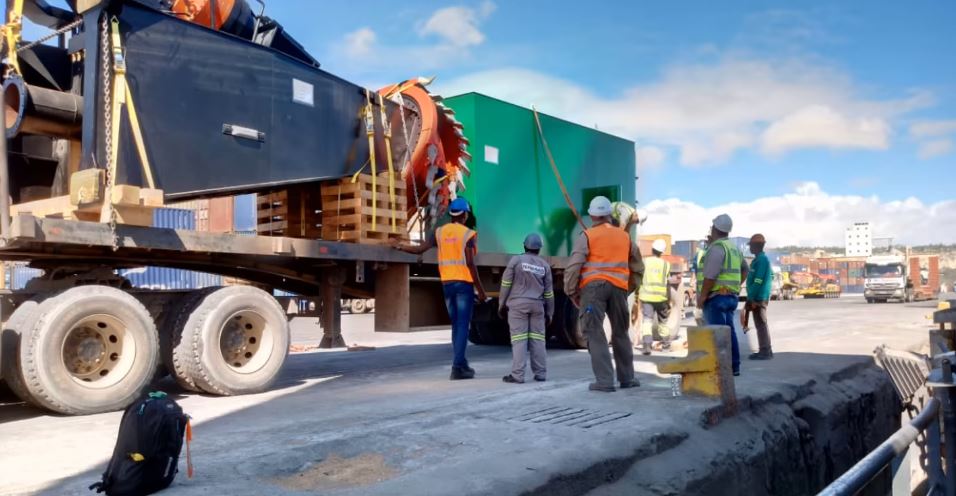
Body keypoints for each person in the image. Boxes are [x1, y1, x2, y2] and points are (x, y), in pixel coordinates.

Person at [394, 198, 487, 380]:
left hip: (447, 285)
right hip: (463, 285)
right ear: (465, 215)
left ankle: (461, 363)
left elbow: (420, 249)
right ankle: (458, 367)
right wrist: (481, 291)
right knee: (462, 326)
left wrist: (399, 246)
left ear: (452, 214)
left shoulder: (439, 232)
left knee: (456, 326)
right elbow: (470, 264)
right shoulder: (468, 234)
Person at [565, 196, 644, 392]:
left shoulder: (587, 236)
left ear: (592, 215)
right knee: (620, 333)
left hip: (593, 289)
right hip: (618, 288)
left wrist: (571, 291)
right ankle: (627, 378)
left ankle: (605, 381)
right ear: (609, 215)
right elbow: (638, 267)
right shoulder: (625, 237)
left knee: (595, 332)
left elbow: (574, 266)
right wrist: (628, 289)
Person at [695, 214, 749, 376]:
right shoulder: (734, 248)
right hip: (730, 297)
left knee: (717, 334)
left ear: (715, 228)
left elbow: (710, 275)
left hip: (716, 297)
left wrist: (703, 296)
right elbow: (745, 269)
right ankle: (734, 366)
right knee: (729, 331)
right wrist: (734, 285)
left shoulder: (717, 248)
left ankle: (722, 368)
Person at [499, 233, 554, 384]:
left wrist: (501, 304)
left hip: (517, 306)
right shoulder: (544, 266)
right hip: (538, 306)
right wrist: (550, 313)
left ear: (524, 246)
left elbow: (506, 284)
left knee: (519, 340)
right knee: (538, 340)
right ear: (539, 249)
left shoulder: (516, 261)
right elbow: (549, 293)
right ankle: (541, 373)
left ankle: (517, 375)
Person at [639, 238, 671, 355]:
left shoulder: (645, 262)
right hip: (661, 298)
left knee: (647, 321)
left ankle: (647, 346)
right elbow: (668, 283)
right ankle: (666, 345)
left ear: (652, 249)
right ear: (661, 252)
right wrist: (669, 299)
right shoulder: (666, 265)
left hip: (647, 297)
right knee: (663, 321)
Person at [745, 234, 773, 360]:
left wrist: (751, 296)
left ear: (756, 246)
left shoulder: (761, 260)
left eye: (751, 245)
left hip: (758, 297)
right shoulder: (759, 260)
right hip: (759, 295)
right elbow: (770, 276)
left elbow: (758, 280)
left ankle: (766, 351)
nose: (750, 248)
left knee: (761, 324)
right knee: (759, 324)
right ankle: (764, 349)